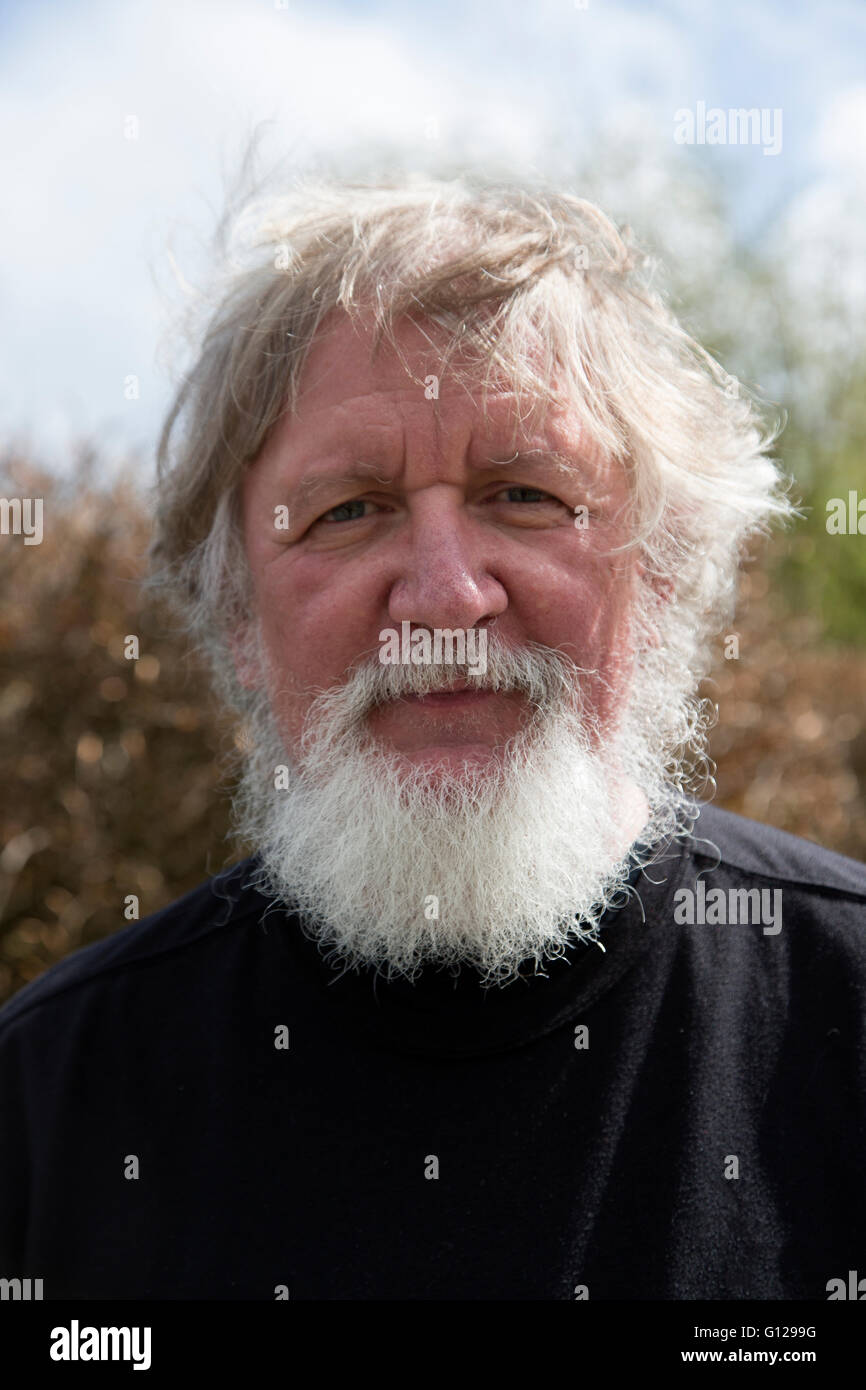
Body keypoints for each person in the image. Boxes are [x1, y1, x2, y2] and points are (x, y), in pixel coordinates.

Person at [1, 176, 864, 1302]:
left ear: (658, 577)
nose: (445, 596)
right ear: (237, 620)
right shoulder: (50, 1096)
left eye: (523, 493)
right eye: (348, 510)